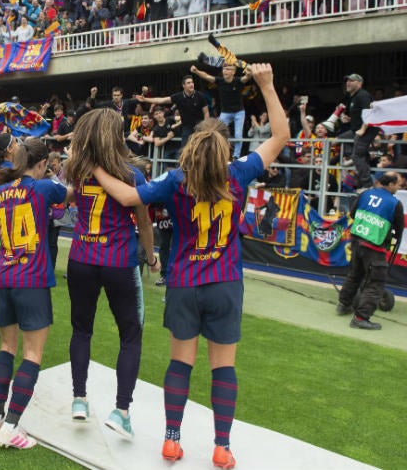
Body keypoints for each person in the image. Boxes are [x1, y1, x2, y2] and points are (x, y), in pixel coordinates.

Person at [92, 64, 288, 469]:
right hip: (225, 283)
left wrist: (94, 166)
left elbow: (130, 198)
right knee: (223, 367)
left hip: (184, 283)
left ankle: (171, 440)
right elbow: (282, 135)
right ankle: (221, 446)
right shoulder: (239, 173)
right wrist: (267, 86)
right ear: (224, 148)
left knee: (181, 363)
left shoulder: (176, 180)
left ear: (192, 146)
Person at [64, 108, 160, 440]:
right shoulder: (133, 173)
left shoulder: (78, 171)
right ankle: (121, 411)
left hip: (81, 258)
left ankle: (79, 398)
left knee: (81, 330)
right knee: (131, 335)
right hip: (118, 260)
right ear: (116, 136)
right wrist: (151, 255)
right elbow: (144, 223)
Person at [0, 138, 72, 449]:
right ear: (41, 164)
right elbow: (72, 193)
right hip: (30, 277)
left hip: (2, 274)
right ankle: (11, 426)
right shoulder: (44, 187)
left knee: (7, 347)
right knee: (32, 353)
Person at [336, 172, 404, 330]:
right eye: (398, 184)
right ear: (391, 185)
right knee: (375, 283)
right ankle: (361, 317)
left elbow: (352, 213)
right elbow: (399, 229)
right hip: (374, 245)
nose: (399, 187)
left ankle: (344, 304)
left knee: (354, 274)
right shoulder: (395, 203)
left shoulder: (365, 194)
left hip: (356, 239)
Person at [190, 64, 252, 160]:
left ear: (233, 72)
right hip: (225, 112)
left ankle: (236, 155)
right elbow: (207, 76)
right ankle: (219, 152)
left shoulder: (237, 81)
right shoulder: (220, 81)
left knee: (238, 135)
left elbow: (246, 78)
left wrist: (249, 72)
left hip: (238, 112)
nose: (225, 71)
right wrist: (196, 71)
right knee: (217, 131)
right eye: (224, 69)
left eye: (228, 69)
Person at [137, 75, 209, 156]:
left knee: (201, 150)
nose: (191, 84)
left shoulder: (200, 96)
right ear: (183, 86)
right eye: (188, 83)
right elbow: (161, 100)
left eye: (192, 82)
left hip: (200, 126)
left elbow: (206, 113)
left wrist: (206, 127)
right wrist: (145, 99)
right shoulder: (178, 96)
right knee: (184, 152)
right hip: (186, 127)